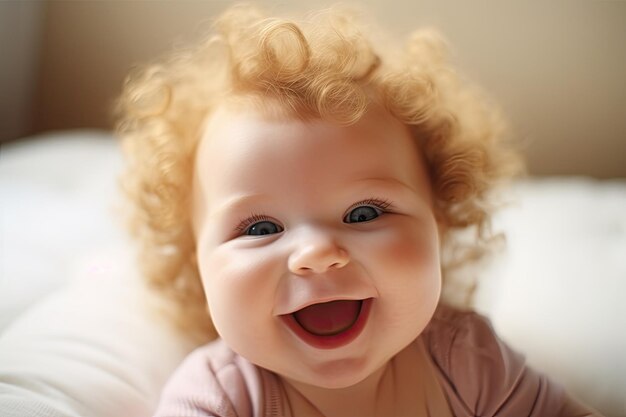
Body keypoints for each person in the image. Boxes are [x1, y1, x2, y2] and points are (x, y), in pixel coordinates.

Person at [116, 4, 599, 416]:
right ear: (195, 264)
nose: (318, 252)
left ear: (440, 218)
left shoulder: (468, 361)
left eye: (364, 213)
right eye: (261, 227)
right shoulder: (222, 396)